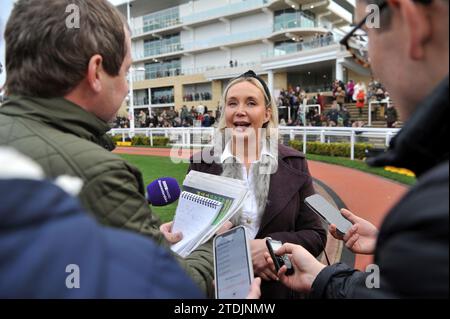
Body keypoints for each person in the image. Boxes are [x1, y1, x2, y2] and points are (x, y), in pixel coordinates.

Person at [0, 0, 214, 297]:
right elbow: (180, 289)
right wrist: (215, 249)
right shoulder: (98, 173)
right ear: (96, 72)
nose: (127, 87)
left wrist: (138, 242)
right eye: (126, 72)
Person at [265, 0, 449, 298]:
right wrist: (381, 242)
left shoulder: (427, 218)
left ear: (413, 23)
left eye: (364, 39)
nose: (371, 63)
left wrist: (323, 279)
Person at [171, 70, 327, 299]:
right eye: (232, 103)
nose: (240, 111)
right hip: (219, 291)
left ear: (267, 114)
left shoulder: (295, 164)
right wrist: (240, 256)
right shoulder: (200, 165)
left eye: (251, 103)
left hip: (280, 291)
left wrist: (269, 249)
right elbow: (188, 236)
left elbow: (315, 235)